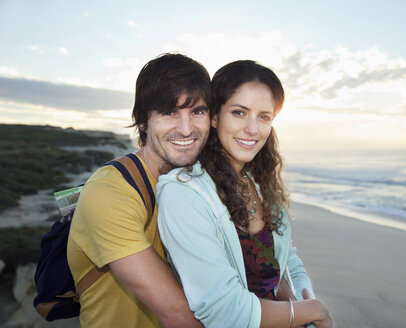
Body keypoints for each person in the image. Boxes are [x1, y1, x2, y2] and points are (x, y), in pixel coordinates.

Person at [157, 60, 333, 327]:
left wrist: (301, 296)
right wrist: (311, 312)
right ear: (215, 117)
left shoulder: (258, 183)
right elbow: (223, 310)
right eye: (239, 112)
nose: (253, 129)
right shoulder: (184, 195)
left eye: (264, 117)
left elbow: (288, 261)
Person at [67, 53, 210, 327]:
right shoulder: (110, 192)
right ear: (143, 121)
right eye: (169, 112)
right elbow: (177, 314)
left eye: (197, 111)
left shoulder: (198, 183)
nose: (186, 128)